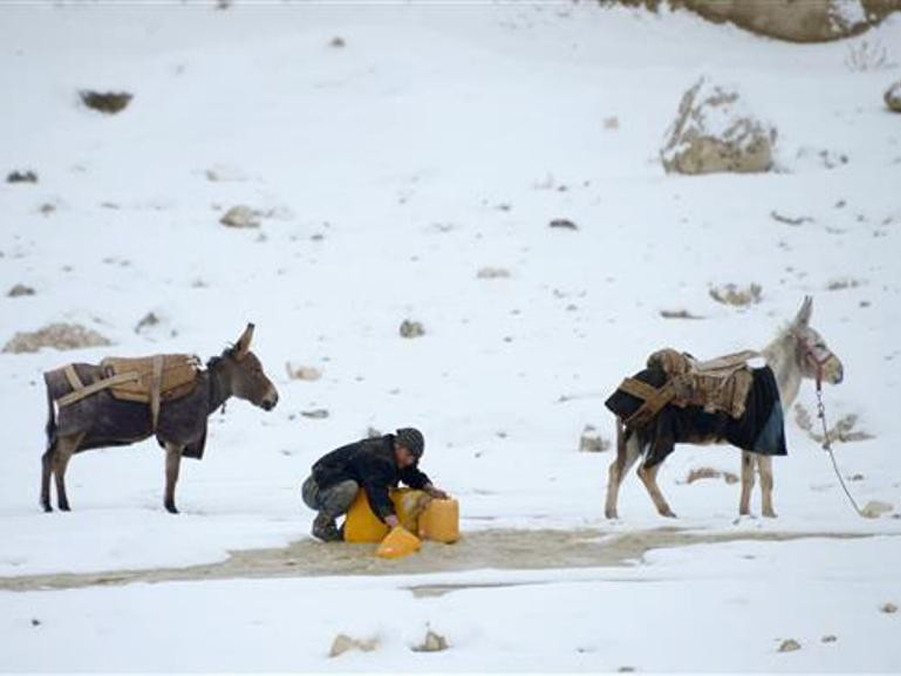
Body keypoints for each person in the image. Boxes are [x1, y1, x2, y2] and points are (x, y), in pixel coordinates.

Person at [301, 427, 449, 542]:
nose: (410, 461)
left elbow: (411, 474)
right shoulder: (375, 455)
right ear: (398, 446)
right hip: (315, 488)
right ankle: (322, 525)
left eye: (415, 458)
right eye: (409, 456)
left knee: (363, 490)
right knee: (352, 488)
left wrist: (430, 489)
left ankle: (346, 530)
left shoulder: (400, 458)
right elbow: (377, 492)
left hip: (337, 486)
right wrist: (394, 524)